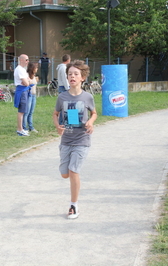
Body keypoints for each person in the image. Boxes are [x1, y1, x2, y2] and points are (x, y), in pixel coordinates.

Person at [52, 60, 97, 219]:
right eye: (70, 74)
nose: (72, 76)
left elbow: (94, 113)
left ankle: (74, 206)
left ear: (82, 77)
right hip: (66, 141)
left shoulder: (87, 97)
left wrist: (90, 123)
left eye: (76, 74)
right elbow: (55, 114)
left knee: (73, 171)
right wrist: (58, 126)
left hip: (82, 140)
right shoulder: (62, 97)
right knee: (65, 174)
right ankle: (72, 181)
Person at [14, 54, 31, 137]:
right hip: (21, 91)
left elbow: (28, 80)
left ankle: (21, 128)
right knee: (21, 111)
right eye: (26, 60)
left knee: (24, 110)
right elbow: (26, 82)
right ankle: (20, 129)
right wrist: (27, 82)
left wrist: (27, 82)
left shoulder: (23, 70)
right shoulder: (19, 69)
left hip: (25, 90)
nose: (28, 61)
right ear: (21, 60)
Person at [22, 62, 39, 133]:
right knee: (26, 112)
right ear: (33, 69)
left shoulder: (34, 76)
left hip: (34, 95)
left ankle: (31, 127)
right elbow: (26, 83)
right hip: (29, 95)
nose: (37, 69)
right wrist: (32, 81)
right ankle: (24, 127)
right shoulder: (27, 76)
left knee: (31, 112)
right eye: (36, 68)